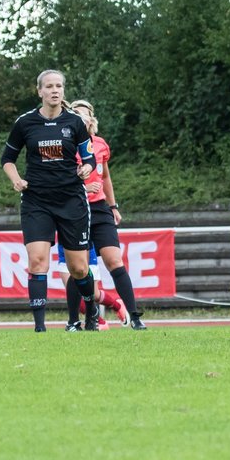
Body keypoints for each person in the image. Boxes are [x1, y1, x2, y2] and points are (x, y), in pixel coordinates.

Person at [1, 70, 101, 332]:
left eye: (59, 86)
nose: (55, 90)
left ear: (63, 91)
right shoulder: (25, 123)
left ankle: (91, 307)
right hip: (37, 201)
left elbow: (89, 158)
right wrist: (16, 179)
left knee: (78, 268)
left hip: (71, 200)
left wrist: (87, 169)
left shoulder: (75, 123)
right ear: (40, 91)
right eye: (49, 86)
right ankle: (39, 327)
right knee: (37, 261)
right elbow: (7, 159)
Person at [70, 99, 148, 330]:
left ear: (91, 119)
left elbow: (105, 178)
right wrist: (82, 187)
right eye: (76, 114)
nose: (81, 118)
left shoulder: (101, 145)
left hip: (100, 209)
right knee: (78, 268)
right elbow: (59, 180)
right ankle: (76, 320)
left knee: (115, 260)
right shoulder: (66, 146)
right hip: (75, 210)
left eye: (84, 114)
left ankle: (134, 317)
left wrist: (113, 206)